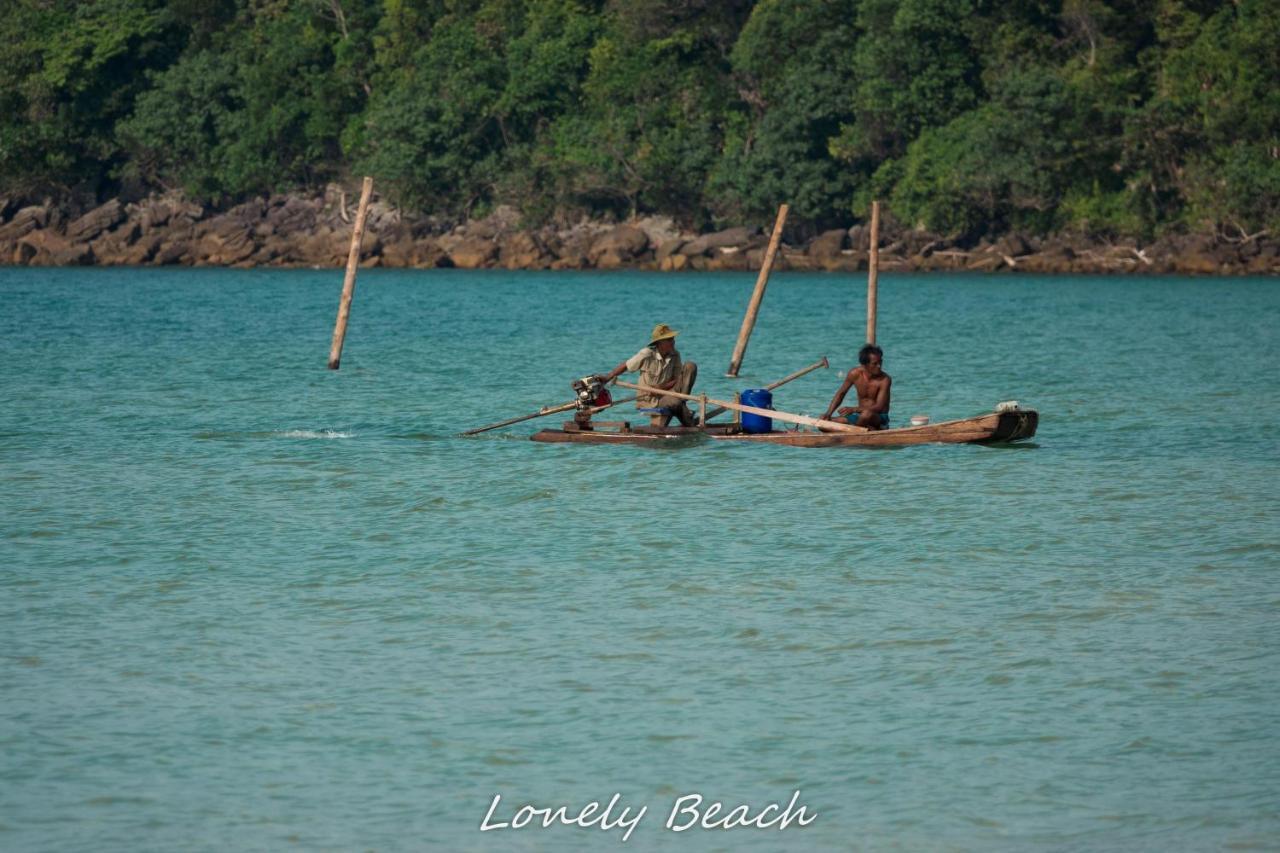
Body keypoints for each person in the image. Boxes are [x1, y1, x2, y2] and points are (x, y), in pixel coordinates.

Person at [597, 324, 699, 426]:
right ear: (660, 343)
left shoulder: (675, 355)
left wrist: (662, 388)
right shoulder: (646, 354)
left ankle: (683, 402)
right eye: (669, 340)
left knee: (690, 366)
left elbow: (678, 380)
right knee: (676, 402)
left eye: (673, 339)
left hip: (670, 393)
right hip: (651, 400)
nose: (673, 342)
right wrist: (607, 377)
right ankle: (685, 413)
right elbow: (627, 365)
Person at [819, 343, 891, 430]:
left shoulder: (885, 379)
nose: (879, 366)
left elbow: (879, 406)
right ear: (865, 364)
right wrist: (828, 413)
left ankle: (862, 430)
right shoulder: (854, 373)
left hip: (878, 417)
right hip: (859, 416)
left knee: (866, 414)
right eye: (875, 364)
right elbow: (841, 393)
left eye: (880, 362)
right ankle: (863, 429)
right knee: (823, 424)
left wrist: (854, 410)